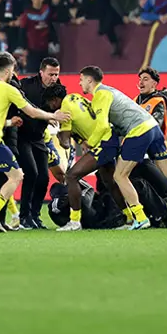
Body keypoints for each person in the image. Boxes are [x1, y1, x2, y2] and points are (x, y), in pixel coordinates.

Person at [79, 66, 167, 229]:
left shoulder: (100, 94)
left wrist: (90, 143)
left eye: (81, 79)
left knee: (119, 176)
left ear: (89, 80)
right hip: (153, 129)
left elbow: (102, 127)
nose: (79, 83)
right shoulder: (113, 92)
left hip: (139, 131)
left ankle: (140, 218)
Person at [0, 52, 69, 233]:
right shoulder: (8, 89)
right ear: (8, 71)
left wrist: (9, 122)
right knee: (17, 176)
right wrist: (53, 115)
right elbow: (31, 111)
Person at [42, 83, 125, 231]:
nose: (50, 107)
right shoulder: (75, 97)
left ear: (54, 100)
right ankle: (130, 217)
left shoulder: (65, 109)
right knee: (110, 182)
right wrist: (80, 138)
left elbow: (66, 143)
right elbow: (83, 123)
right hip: (109, 139)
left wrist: (59, 130)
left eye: (49, 103)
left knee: (71, 176)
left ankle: (74, 222)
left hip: (103, 143)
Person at [16, 57, 62, 229]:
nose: (53, 78)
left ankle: (35, 215)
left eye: (56, 74)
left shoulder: (58, 89)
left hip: (38, 138)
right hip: (22, 137)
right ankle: (24, 217)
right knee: (32, 174)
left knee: (43, 177)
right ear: (41, 72)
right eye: (50, 74)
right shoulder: (25, 85)